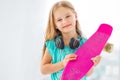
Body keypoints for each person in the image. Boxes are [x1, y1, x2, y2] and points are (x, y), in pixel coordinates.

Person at [40, 1, 101, 80]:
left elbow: (88, 74)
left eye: (68, 16)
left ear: (75, 16)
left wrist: (91, 64)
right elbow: (43, 69)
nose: (65, 21)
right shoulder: (52, 45)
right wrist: (62, 64)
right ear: (55, 25)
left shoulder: (85, 44)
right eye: (59, 20)